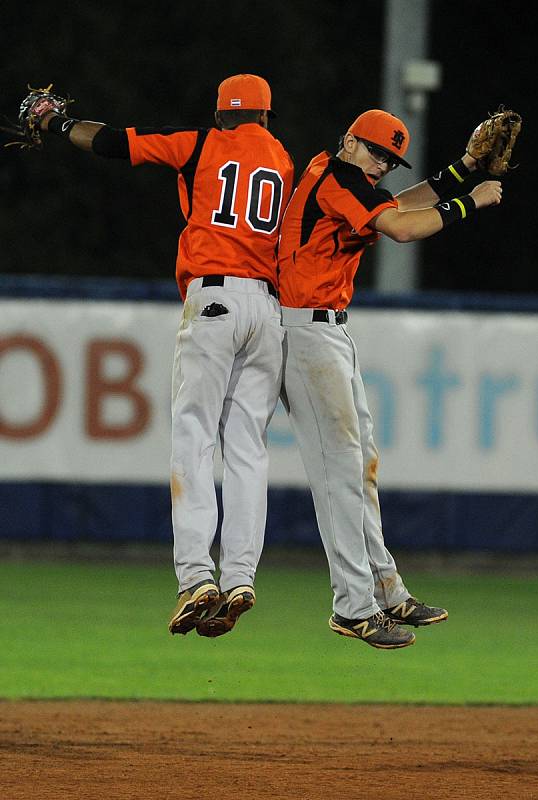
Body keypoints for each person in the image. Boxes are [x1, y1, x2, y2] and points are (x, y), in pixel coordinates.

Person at [38, 74, 294, 638]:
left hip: (215, 302)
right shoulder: (284, 161)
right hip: (269, 308)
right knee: (249, 450)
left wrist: (57, 124)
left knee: (194, 437)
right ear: (266, 116)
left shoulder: (201, 143)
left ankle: (196, 576)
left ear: (221, 113)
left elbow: (111, 142)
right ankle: (242, 576)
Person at [277, 109, 502, 650]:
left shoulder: (347, 180)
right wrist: (471, 200)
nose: (383, 165)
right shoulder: (335, 178)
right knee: (339, 473)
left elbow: (399, 206)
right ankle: (353, 607)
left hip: (327, 330)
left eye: (391, 159)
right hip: (302, 331)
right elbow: (402, 226)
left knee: (362, 466)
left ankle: (386, 589)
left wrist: (465, 167)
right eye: (377, 152)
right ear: (349, 141)